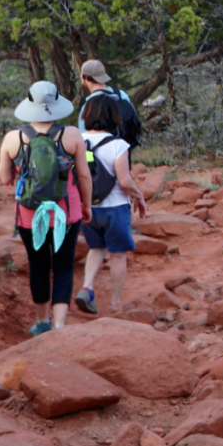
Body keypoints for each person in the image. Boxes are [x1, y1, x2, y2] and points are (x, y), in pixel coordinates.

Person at [0, 80, 92, 335]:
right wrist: (87, 205)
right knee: (63, 267)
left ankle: (42, 323)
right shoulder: (71, 135)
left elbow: (4, 178)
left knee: (38, 266)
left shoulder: (13, 138)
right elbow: (84, 175)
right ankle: (59, 326)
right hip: (66, 214)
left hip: (29, 217)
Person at [74, 91, 147, 316]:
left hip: (87, 209)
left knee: (96, 247)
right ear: (114, 116)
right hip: (115, 208)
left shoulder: (77, 142)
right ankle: (115, 304)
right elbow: (124, 181)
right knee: (118, 254)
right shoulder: (118, 145)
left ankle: (87, 287)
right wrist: (139, 195)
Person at [76, 58, 144, 148]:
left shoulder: (88, 106)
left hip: (100, 157)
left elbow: (84, 137)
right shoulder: (121, 95)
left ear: (84, 78)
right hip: (125, 150)